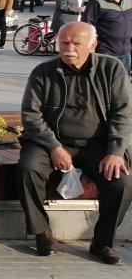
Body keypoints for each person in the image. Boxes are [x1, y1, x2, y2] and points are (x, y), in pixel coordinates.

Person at [17, 22, 132, 264]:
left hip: (98, 145)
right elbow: (31, 115)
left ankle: (102, 242)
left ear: (93, 45)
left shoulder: (112, 68)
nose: (69, 48)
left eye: (77, 43)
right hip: (51, 142)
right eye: (64, 43)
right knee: (29, 168)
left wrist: (115, 151)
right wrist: (54, 147)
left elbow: (124, 113)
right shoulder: (43, 71)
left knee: (122, 182)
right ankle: (42, 233)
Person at [83, 0, 132, 73]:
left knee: (122, 81)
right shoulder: (97, 0)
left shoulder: (129, 0)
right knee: (104, 80)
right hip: (105, 52)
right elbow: (87, 24)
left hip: (126, 53)